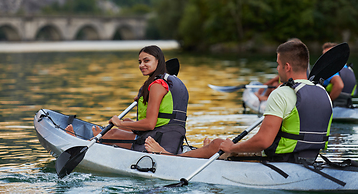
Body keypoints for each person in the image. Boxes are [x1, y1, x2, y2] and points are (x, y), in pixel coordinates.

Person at [145, 40, 333, 163]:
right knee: (219, 146)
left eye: (277, 64)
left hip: (281, 160)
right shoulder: (323, 93)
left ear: (287, 66)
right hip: (309, 159)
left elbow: (263, 141)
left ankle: (169, 157)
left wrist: (233, 147)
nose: (277, 69)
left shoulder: (282, 93)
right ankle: (204, 151)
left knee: (219, 144)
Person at [66, 45, 189, 154]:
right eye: (139, 62)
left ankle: (80, 142)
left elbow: (150, 124)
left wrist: (120, 124)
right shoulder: (166, 82)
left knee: (113, 133)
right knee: (127, 121)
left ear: (158, 61)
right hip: (172, 140)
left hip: (158, 141)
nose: (141, 65)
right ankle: (99, 138)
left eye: (146, 61)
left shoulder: (157, 85)